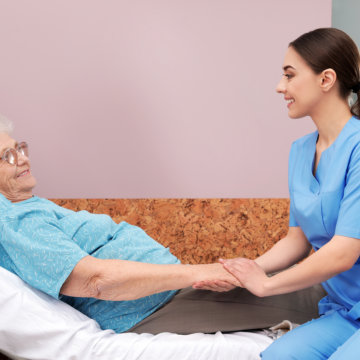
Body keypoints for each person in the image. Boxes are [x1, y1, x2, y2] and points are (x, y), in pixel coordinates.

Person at [0, 115, 323, 336]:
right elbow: (95, 280)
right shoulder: (15, 221)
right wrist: (202, 272)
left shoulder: (27, 207)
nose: (23, 159)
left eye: (19, 149)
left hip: (166, 295)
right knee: (316, 296)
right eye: (7, 157)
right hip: (151, 309)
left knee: (310, 286)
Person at [195, 28, 360, 359]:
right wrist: (244, 272)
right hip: (345, 312)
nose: (280, 86)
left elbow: (344, 251)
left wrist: (266, 285)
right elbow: (297, 240)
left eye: (289, 75)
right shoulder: (300, 152)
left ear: (326, 79)